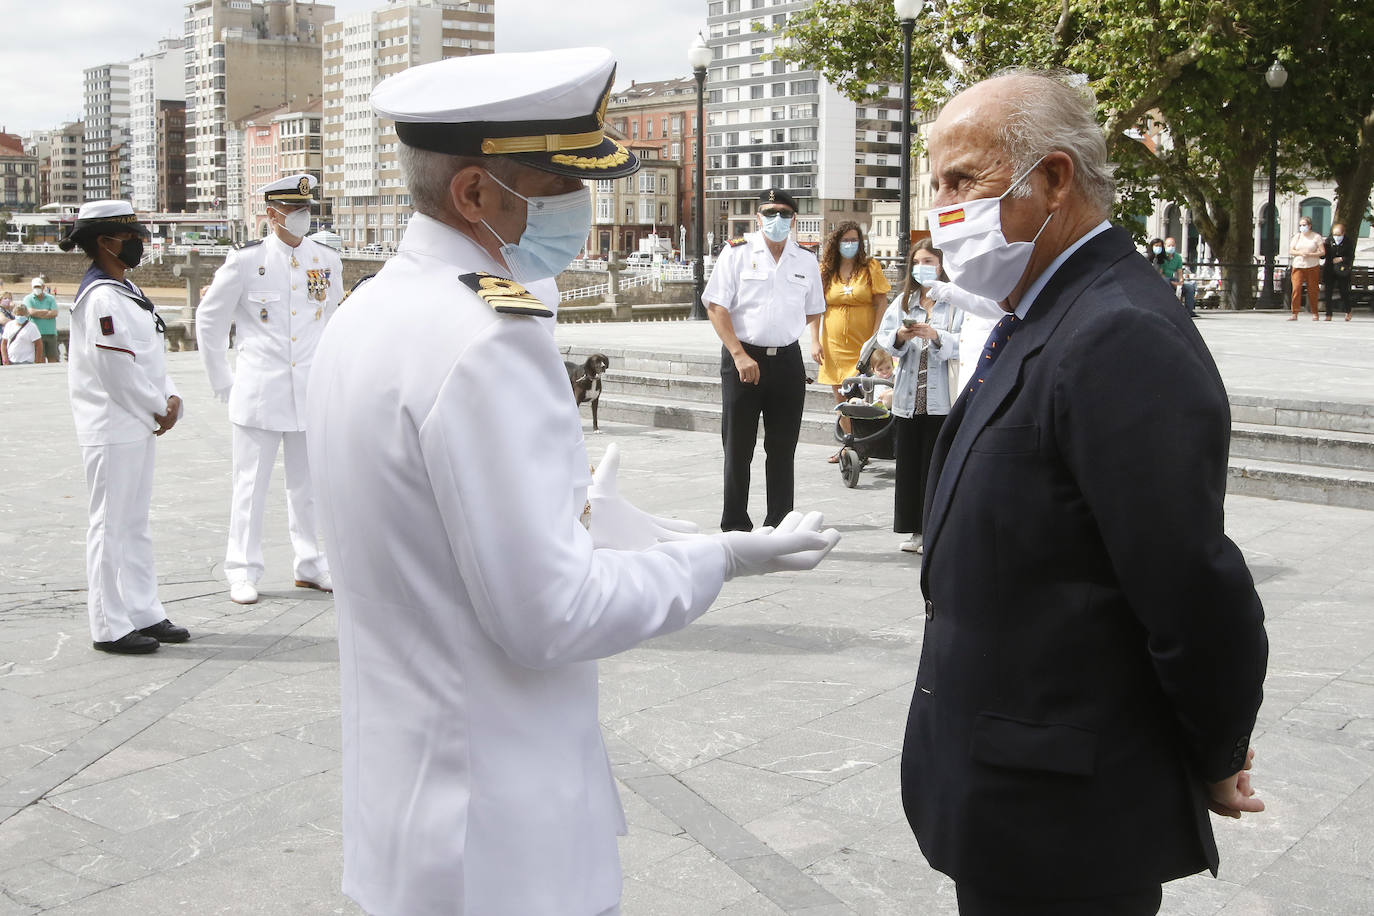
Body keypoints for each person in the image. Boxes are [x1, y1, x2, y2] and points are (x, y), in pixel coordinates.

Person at [306, 47, 840, 916]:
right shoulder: (487, 339)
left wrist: (593, 520)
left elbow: (431, 536)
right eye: (558, 182)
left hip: (410, 810)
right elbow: (553, 614)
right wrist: (717, 559)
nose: (579, 204)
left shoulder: (371, 309)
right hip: (504, 836)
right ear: (474, 193)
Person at [904, 69, 1269, 915]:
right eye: (936, 185)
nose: (941, 209)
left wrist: (1216, 751)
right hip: (1012, 794)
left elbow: (1189, 587)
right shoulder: (1045, 313)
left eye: (962, 180)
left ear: (1054, 179)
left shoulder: (1116, 331)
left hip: (1063, 815)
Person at [195, 173, 343, 605]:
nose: (301, 216)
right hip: (260, 392)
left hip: (309, 392)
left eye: (306, 209)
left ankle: (310, 563)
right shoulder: (246, 261)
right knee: (249, 486)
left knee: (308, 487)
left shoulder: (325, 259)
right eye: (293, 210)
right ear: (271, 214)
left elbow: (333, 320)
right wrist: (221, 380)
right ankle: (242, 569)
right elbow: (210, 318)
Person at [58, 200, 190, 655]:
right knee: (109, 526)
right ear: (105, 242)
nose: (138, 243)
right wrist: (159, 406)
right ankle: (108, 625)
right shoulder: (101, 298)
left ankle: (143, 610)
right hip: (112, 425)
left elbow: (147, 353)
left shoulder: (124, 288)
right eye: (130, 236)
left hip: (135, 421)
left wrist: (170, 396)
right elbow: (116, 370)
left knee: (134, 524)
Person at [703, 188, 825, 531]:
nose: (777, 220)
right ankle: (735, 526)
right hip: (743, 358)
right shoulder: (737, 252)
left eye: (784, 214)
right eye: (770, 213)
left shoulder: (805, 259)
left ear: (794, 219)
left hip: (787, 360)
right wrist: (739, 354)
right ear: (758, 217)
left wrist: (787, 330)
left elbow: (813, 309)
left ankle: (780, 525)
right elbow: (716, 307)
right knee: (738, 448)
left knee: (783, 448)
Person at [875, 240, 962, 554]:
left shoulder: (954, 301)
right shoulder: (904, 302)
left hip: (941, 398)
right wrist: (901, 335)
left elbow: (964, 342)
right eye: (918, 261)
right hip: (909, 398)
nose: (922, 267)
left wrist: (936, 335)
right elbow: (885, 339)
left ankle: (935, 530)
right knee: (909, 467)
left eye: (929, 261)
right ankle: (915, 530)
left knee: (935, 466)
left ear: (941, 265)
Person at [815, 221, 890, 461]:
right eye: (845, 240)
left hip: (863, 344)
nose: (850, 244)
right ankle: (849, 445)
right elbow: (815, 307)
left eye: (854, 240)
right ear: (836, 243)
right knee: (841, 397)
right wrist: (814, 341)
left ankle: (867, 444)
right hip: (834, 345)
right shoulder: (826, 270)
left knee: (864, 395)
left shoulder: (869, 267)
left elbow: (881, 302)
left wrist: (876, 335)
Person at [1287, 217, 1325, 320]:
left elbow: (1322, 252)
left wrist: (1311, 254)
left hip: (1312, 265)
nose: (1302, 227)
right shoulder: (1297, 237)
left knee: (1313, 290)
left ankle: (1315, 312)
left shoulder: (1316, 237)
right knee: (1296, 288)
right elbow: (1291, 250)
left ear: (1309, 226)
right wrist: (1300, 253)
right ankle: (1294, 313)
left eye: (1304, 225)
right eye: (1300, 225)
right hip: (1298, 265)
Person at [1322, 222, 1355, 321]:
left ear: (1343, 233)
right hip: (1330, 269)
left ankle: (1348, 310)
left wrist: (1341, 258)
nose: (1336, 236)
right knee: (1328, 292)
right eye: (1334, 234)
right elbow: (1323, 255)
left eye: (1338, 234)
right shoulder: (1328, 241)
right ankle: (1328, 314)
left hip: (1342, 270)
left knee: (1344, 291)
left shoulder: (1348, 242)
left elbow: (1351, 256)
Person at [23, 277, 60, 363]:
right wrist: (46, 311)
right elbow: (31, 312)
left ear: (43, 287)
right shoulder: (28, 298)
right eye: (35, 287)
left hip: (51, 333)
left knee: (53, 357)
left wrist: (38, 314)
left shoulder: (50, 298)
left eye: (38, 287)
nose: (37, 289)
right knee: (40, 358)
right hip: (36, 334)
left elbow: (54, 313)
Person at [1161, 236, 1197, 316]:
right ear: (1165, 246)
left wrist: (1181, 281)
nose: (1171, 247)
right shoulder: (1161, 257)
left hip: (1174, 279)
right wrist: (1173, 283)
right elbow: (1160, 274)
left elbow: (1180, 272)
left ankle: (1189, 311)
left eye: (1173, 245)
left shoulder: (1178, 257)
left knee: (1190, 287)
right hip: (1164, 280)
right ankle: (1170, 309)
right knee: (1167, 282)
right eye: (1169, 245)